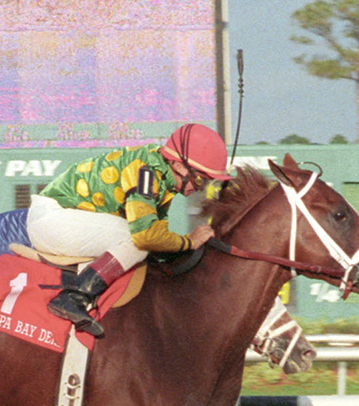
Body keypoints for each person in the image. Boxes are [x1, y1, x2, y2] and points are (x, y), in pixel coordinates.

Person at [30, 123, 232, 337]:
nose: (201, 188)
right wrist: (189, 242)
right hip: (53, 220)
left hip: (66, 220)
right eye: (201, 179)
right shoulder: (145, 173)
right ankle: (73, 297)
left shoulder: (163, 178)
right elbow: (145, 236)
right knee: (137, 239)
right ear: (179, 165)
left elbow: (160, 243)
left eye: (208, 182)